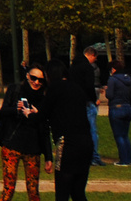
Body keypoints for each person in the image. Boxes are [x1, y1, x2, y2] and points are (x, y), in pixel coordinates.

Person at [0, 64, 52, 201]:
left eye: (40, 80)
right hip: (12, 145)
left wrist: (48, 157)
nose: (36, 82)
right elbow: (3, 111)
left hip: (33, 148)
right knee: (9, 188)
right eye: (34, 78)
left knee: (33, 190)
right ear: (27, 76)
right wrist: (16, 109)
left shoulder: (44, 98)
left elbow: (44, 128)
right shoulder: (15, 89)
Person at [47, 59, 93, 201]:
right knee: (78, 192)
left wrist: (29, 114)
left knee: (62, 193)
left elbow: (42, 114)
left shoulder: (55, 88)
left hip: (68, 145)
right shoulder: (77, 89)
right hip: (86, 143)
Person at [76, 47, 105, 167]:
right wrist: (94, 99)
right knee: (92, 130)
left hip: (78, 102)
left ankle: (82, 155)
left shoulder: (75, 67)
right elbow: (90, 86)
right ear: (91, 55)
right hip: (88, 102)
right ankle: (94, 156)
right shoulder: (90, 68)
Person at [103, 59, 131, 166]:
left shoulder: (112, 80)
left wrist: (107, 90)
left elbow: (110, 95)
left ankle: (123, 160)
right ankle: (128, 159)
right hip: (128, 108)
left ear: (113, 69)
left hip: (117, 108)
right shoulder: (129, 79)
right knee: (125, 135)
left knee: (119, 135)